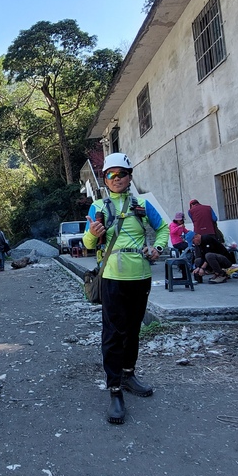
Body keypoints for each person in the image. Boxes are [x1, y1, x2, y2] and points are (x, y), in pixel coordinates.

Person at [82, 152, 168, 425]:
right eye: (111, 175)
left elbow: (163, 228)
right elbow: (86, 244)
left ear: (130, 177)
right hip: (112, 277)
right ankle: (115, 388)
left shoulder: (142, 204)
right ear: (105, 179)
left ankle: (129, 375)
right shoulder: (97, 207)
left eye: (122, 174)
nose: (116, 179)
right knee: (113, 333)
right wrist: (93, 234)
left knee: (133, 330)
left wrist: (158, 248)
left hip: (140, 276)